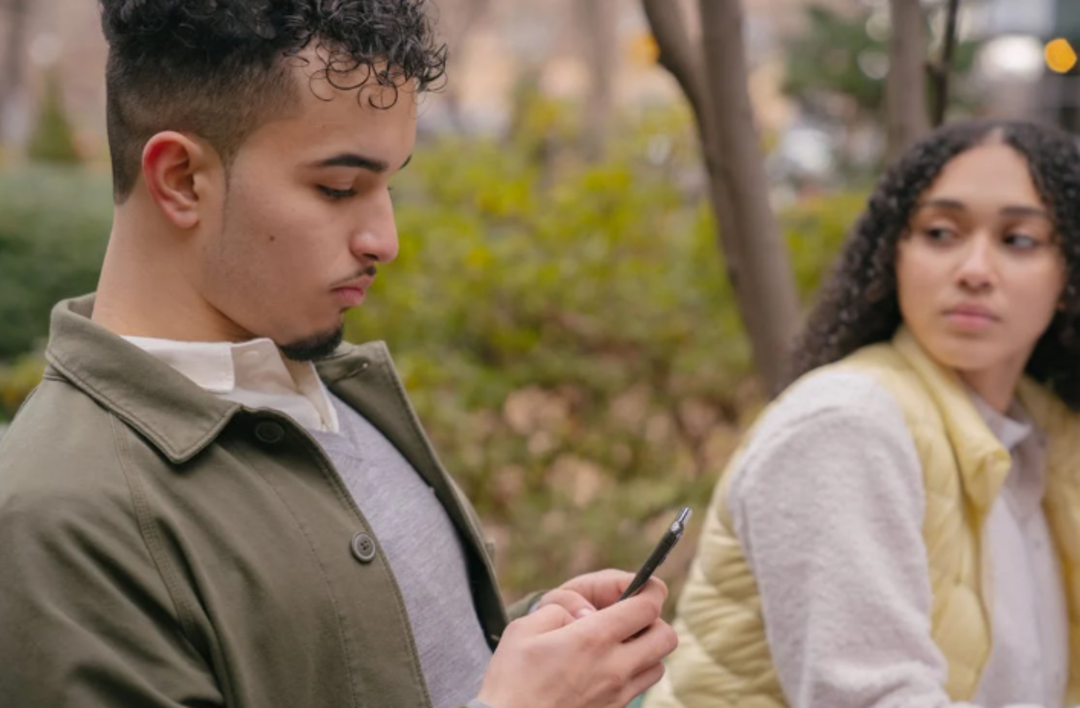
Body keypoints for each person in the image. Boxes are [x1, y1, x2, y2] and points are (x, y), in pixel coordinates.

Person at [0, 2, 677, 706]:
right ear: (180, 178)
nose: (384, 240)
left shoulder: (333, 386)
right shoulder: (59, 520)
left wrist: (537, 648)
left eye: (390, 185)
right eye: (338, 188)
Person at [643, 118, 1080, 708]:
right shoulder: (847, 425)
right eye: (941, 232)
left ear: (1068, 273)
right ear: (893, 252)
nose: (975, 270)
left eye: (1018, 240)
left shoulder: (1050, 441)